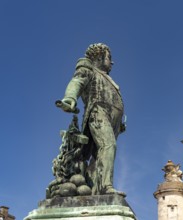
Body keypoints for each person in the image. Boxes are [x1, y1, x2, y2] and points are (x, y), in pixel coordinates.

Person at [58, 43, 125, 195]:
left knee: (98, 157)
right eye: (109, 57)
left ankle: (95, 190)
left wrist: (119, 124)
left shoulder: (107, 78)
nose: (112, 62)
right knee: (108, 146)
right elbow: (77, 82)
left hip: (111, 120)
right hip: (97, 113)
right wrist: (69, 97)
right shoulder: (88, 70)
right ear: (99, 57)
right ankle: (106, 187)